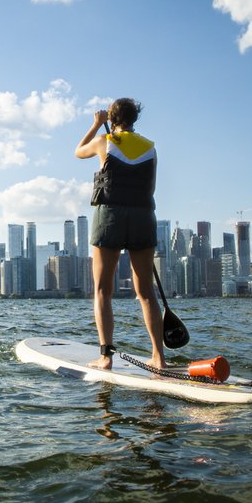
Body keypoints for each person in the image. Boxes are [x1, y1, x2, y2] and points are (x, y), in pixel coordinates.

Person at [74, 97, 165, 371]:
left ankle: (106, 357)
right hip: (142, 217)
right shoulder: (151, 148)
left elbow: (78, 151)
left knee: (103, 290)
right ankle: (159, 358)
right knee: (146, 292)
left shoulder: (104, 142)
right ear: (135, 119)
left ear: (112, 119)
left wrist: (96, 125)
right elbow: (151, 187)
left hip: (110, 217)